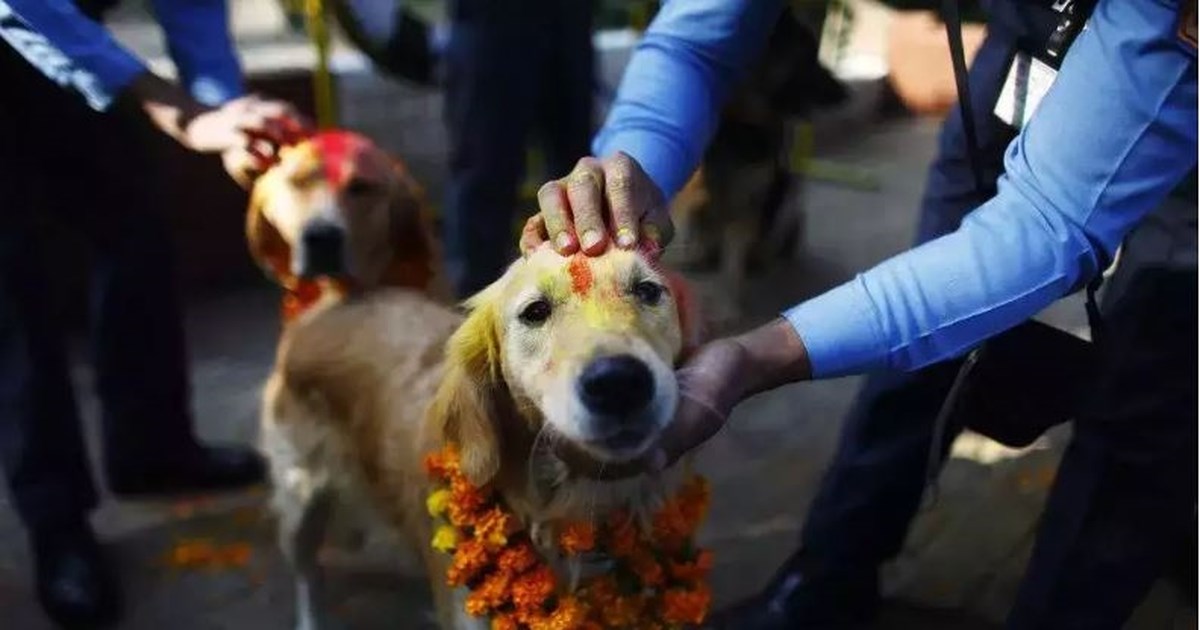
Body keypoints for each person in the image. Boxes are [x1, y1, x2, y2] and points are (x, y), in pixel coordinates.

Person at [521, 0, 1197, 627]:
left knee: (1142, 396)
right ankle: (827, 581)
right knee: (921, 336)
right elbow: (697, 40)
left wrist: (758, 357)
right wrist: (629, 165)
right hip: (1028, 48)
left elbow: (1046, 225)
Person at [0, 1, 306, 626]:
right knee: (14, 289)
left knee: (135, 226)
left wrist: (223, 111)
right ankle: (56, 522)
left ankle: (151, 448)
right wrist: (176, 108)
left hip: (72, 34)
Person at [441, 0, 596, 299]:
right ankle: (471, 309)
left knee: (577, 174)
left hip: (568, 14)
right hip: (491, 18)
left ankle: (584, 295)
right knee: (484, 170)